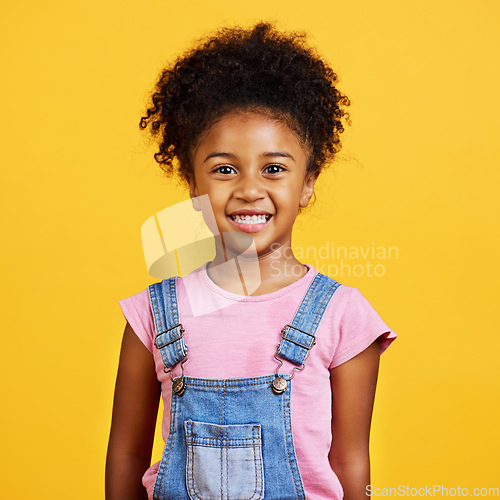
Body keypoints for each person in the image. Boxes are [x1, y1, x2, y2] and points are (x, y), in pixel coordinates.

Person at [105, 21, 397, 500]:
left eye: (274, 168)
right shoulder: (151, 316)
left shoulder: (343, 316)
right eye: (224, 169)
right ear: (193, 184)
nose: (248, 189)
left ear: (307, 183)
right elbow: (126, 456)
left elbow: (349, 460)